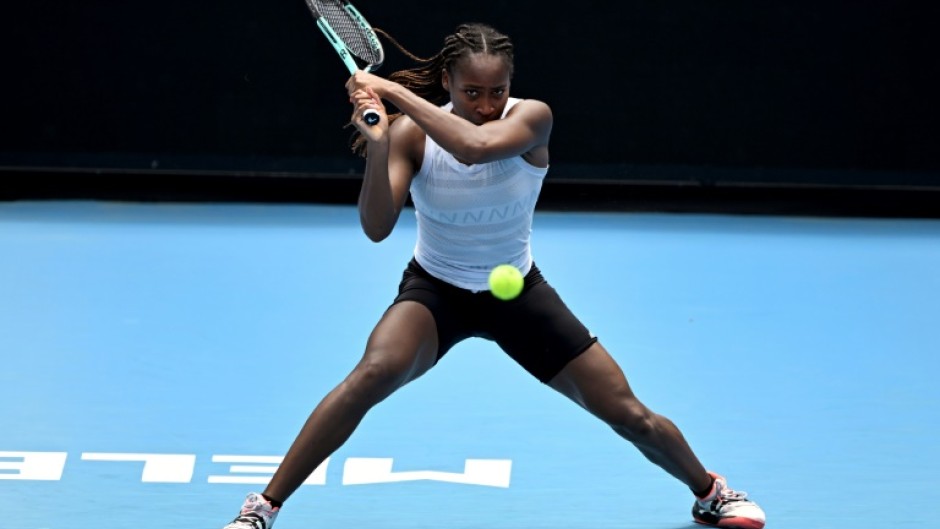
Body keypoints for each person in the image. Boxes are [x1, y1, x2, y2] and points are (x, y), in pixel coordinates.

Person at [221, 22, 765, 529]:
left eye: (496, 91)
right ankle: (261, 509)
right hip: (436, 290)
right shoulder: (412, 135)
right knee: (372, 373)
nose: (485, 105)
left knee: (628, 413)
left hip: (519, 294)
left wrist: (391, 91)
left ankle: (709, 493)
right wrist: (380, 142)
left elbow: (475, 148)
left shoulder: (533, 118)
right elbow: (377, 226)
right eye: (471, 92)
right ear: (447, 83)